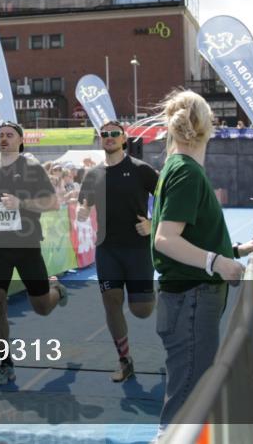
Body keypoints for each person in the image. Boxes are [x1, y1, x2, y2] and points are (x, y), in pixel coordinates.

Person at [151, 89, 253, 435]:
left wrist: (233, 249)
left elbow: (192, 235)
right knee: (191, 398)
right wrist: (219, 262)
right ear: (208, 126)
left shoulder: (178, 167)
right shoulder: (186, 171)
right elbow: (166, 239)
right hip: (191, 299)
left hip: (188, 299)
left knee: (189, 392)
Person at [0, 121, 68, 386]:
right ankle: (5, 364)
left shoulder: (31, 168)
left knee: (41, 307)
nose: (4, 139)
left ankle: (56, 291)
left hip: (27, 245)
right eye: (1, 135)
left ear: (20, 140)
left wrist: (22, 203)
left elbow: (52, 203)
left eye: (10, 135)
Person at [77, 120, 159, 382]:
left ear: (124, 139)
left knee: (141, 310)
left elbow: (169, 198)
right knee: (111, 302)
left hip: (137, 249)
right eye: (105, 134)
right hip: (107, 250)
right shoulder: (93, 174)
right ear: (100, 139)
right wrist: (82, 210)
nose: (109, 137)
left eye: (114, 134)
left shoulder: (141, 169)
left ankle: (153, 298)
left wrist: (153, 222)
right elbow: (84, 203)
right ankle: (124, 360)